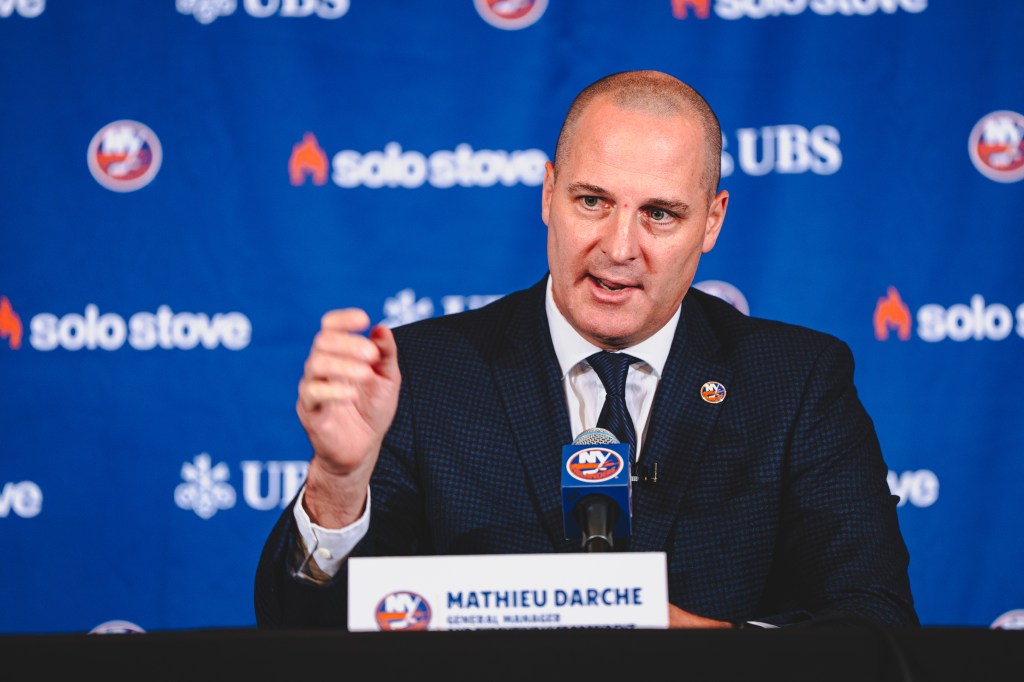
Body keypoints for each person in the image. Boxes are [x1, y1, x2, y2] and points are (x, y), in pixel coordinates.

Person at [254, 69, 918, 629]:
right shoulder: (422, 373)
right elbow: (298, 633)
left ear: (712, 220)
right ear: (549, 194)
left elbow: (876, 623)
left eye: (660, 213)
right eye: (593, 200)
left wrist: (700, 648)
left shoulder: (795, 382)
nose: (620, 247)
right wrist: (337, 487)